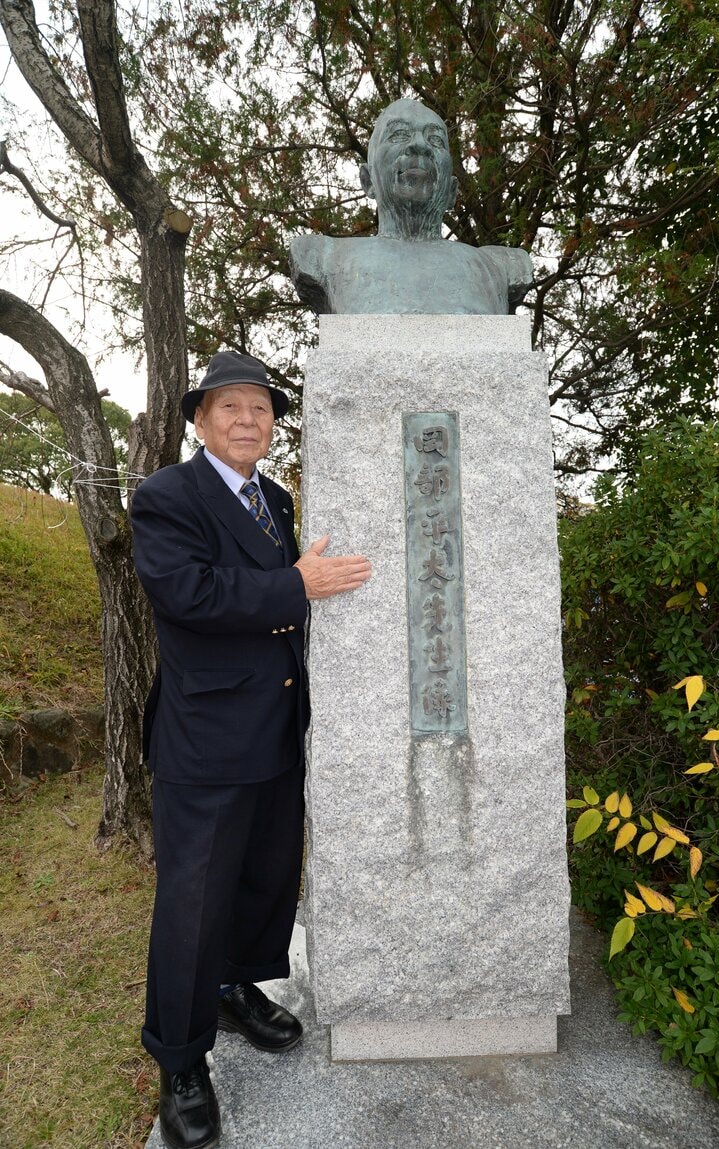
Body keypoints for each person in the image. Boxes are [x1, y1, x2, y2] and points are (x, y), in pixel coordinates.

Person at [131, 350, 371, 1149]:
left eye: (260, 409)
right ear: (198, 419)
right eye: (228, 407)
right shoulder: (168, 496)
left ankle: (234, 988)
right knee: (194, 902)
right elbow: (187, 594)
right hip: (204, 734)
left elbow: (294, 593)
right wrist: (295, 585)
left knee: (265, 873)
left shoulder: (274, 496)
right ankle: (181, 1058)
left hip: (275, 721)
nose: (246, 420)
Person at [289, 98, 533, 315]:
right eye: (399, 134)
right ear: (367, 181)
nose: (420, 145)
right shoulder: (325, 258)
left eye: (435, 139)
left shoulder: (500, 267)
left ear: (451, 191)